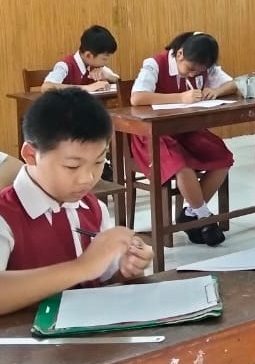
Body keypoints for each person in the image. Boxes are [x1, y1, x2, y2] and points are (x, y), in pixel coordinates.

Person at [0, 88, 152, 315]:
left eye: (99, 162)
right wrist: (82, 267)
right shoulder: (5, 215)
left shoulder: (93, 208)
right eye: (72, 166)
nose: (88, 178)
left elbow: (102, 280)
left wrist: (127, 269)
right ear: (31, 155)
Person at [130, 32, 238, 247]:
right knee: (181, 165)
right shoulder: (154, 64)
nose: (193, 74)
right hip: (152, 136)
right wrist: (179, 97)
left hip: (185, 130)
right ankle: (204, 217)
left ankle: (190, 213)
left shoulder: (203, 66)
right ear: (179, 54)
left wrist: (216, 91)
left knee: (223, 158)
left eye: (199, 71)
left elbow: (233, 84)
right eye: (190, 69)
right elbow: (137, 97)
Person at [42, 25, 120, 92]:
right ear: (88, 55)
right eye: (104, 59)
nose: (106, 62)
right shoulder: (65, 65)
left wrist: (107, 76)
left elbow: (116, 79)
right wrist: (87, 88)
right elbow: (46, 87)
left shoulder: (96, 66)